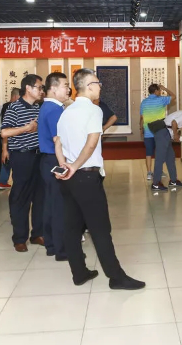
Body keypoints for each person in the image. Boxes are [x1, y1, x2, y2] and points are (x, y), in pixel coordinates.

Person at [54, 68, 145, 290]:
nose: (100, 87)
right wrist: (75, 166)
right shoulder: (93, 110)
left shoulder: (66, 112)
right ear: (88, 86)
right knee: (100, 229)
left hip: (69, 178)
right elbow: (92, 143)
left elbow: (58, 143)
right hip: (86, 176)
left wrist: (65, 165)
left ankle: (79, 273)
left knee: (72, 227)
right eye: (97, 83)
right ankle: (116, 277)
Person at [1, 75, 45, 252]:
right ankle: (19, 238)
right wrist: (26, 128)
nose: (41, 91)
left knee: (40, 197)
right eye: (39, 87)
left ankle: (37, 234)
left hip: (39, 156)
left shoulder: (38, 107)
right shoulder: (14, 107)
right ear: (28, 88)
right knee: (21, 197)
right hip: (22, 157)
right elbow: (4, 132)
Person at [38, 72, 69, 260]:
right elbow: (59, 140)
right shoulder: (54, 110)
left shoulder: (48, 107)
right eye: (65, 85)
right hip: (56, 159)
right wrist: (64, 164)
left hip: (48, 160)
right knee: (59, 206)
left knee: (50, 204)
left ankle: (51, 244)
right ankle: (61, 249)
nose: (68, 90)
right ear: (54, 88)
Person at [150, 109, 182, 192]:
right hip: (163, 133)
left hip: (166, 135)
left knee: (170, 158)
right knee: (160, 159)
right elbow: (174, 123)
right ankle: (156, 183)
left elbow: (174, 125)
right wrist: (175, 135)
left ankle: (173, 181)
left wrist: (176, 135)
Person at [139, 84, 175, 180]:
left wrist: (141, 129)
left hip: (147, 131)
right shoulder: (161, 100)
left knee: (148, 153)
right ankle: (159, 171)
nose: (160, 92)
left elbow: (141, 117)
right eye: (159, 90)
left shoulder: (144, 102)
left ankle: (149, 173)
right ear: (155, 91)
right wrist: (165, 88)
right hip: (159, 131)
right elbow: (173, 96)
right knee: (160, 152)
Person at [0, 87, 20, 190]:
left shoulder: (5, 106)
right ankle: (6, 181)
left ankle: (3, 181)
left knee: (7, 160)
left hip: (8, 136)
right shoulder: (11, 106)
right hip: (11, 136)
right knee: (9, 159)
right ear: (15, 96)